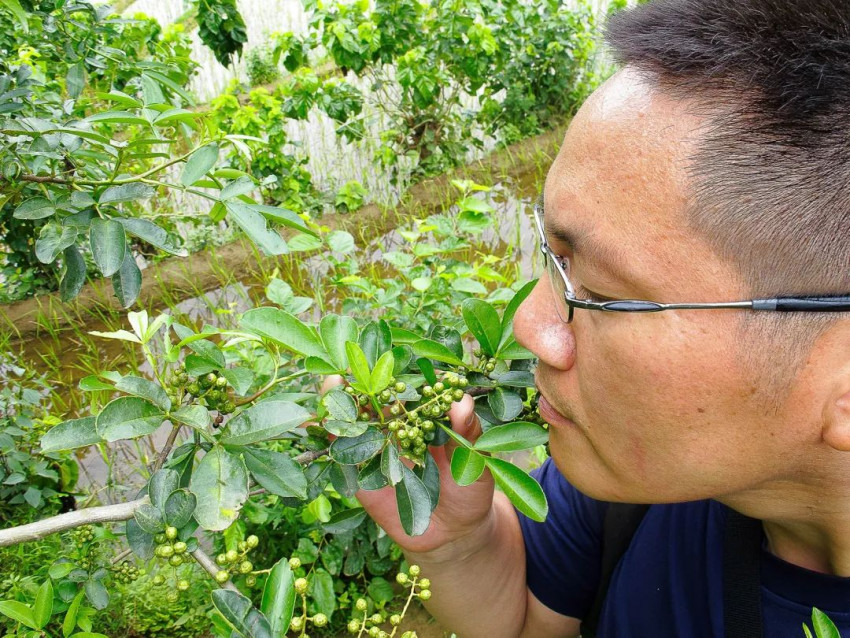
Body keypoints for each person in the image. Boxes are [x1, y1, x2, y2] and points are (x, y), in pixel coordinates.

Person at [354, 0, 850, 635]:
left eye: (606, 296)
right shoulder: (633, 473)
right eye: (555, 258)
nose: (530, 325)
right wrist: (460, 547)